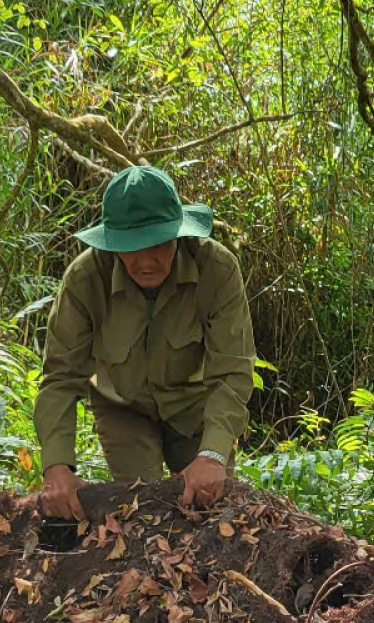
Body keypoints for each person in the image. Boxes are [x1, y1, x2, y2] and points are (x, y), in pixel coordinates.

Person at [34, 165, 255, 520]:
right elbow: (60, 378)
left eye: (158, 244)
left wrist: (213, 454)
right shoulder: (86, 278)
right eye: (131, 247)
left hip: (194, 406)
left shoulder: (217, 269)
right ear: (111, 243)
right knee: (147, 511)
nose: (146, 260)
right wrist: (57, 465)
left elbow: (232, 370)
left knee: (209, 511)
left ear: (179, 235)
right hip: (123, 408)